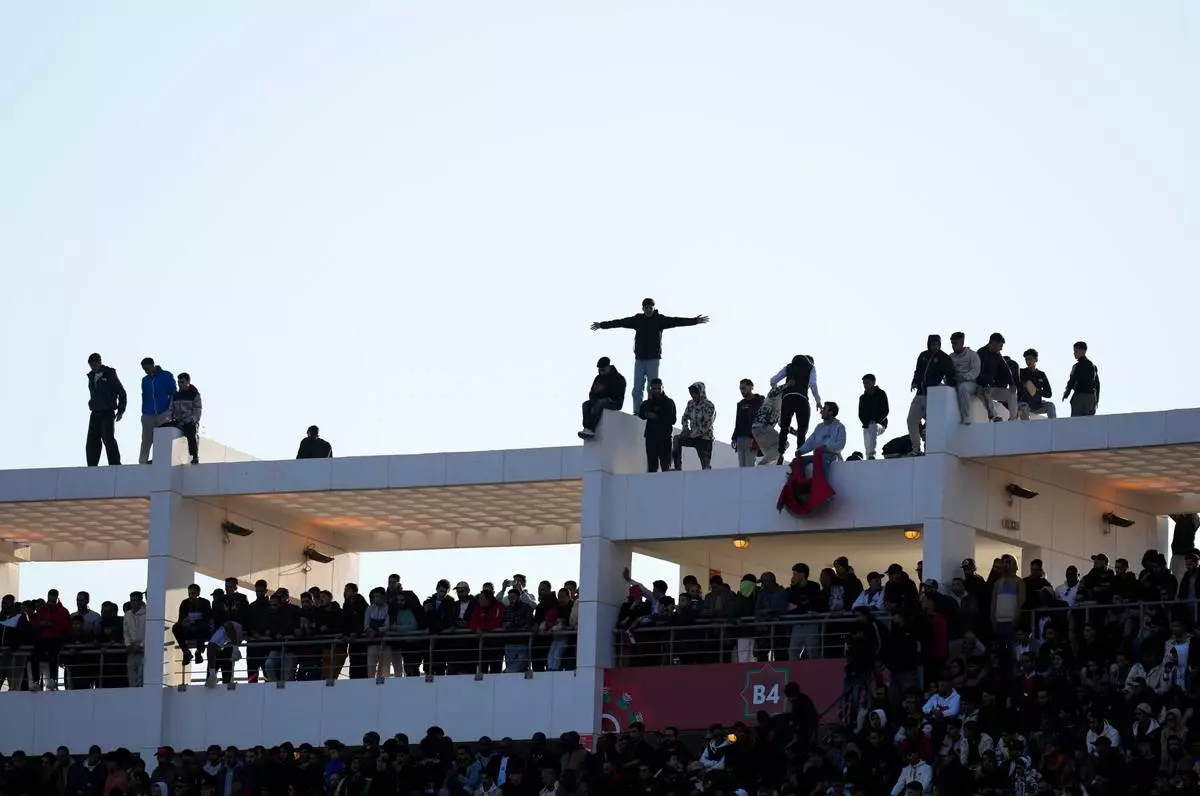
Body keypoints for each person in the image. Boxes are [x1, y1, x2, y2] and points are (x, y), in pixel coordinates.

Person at [589, 298, 709, 413]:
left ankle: (650, 409)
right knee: (637, 389)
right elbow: (621, 322)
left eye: (650, 307)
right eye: (646, 308)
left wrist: (694, 321)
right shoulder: (638, 319)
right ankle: (637, 411)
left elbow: (676, 321)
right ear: (643, 308)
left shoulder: (659, 320)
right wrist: (602, 325)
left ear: (653, 308)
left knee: (652, 388)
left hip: (653, 359)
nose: (648, 310)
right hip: (640, 359)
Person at [906, 335, 954, 455]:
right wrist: (914, 381)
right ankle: (916, 448)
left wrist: (948, 390)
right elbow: (917, 371)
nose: (935, 347)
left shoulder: (944, 358)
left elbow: (950, 374)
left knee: (930, 424)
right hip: (920, 394)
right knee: (911, 420)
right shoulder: (923, 355)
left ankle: (929, 450)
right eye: (932, 344)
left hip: (933, 395)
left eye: (937, 344)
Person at [772, 355, 819, 463]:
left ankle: (781, 453)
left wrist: (784, 387)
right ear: (810, 362)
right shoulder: (811, 368)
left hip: (787, 398)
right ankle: (799, 455)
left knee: (784, 427)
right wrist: (818, 400)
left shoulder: (789, 367)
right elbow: (813, 384)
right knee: (802, 429)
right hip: (802, 398)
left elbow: (773, 380)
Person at [85, 353, 127, 467]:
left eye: (94, 364)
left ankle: (115, 464)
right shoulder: (91, 376)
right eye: (91, 365)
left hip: (107, 411)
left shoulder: (109, 374)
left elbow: (122, 392)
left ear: (99, 362)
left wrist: (121, 410)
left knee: (107, 438)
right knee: (92, 440)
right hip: (95, 411)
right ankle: (92, 466)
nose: (93, 367)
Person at [138, 357, 177, 465]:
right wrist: (144, 411)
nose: (146, 371)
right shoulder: (145, 380)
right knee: (146, 439)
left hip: (164, 412)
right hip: (148, 414)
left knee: (161, 438)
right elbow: (144, 396)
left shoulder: (166, 375)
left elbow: (173, 393)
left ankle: (159, 460)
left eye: (147, 368)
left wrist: (171, 409)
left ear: (152, 365)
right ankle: (142, 461)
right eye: (144, 369)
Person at [579, 357, 626, 439]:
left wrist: (604, 389)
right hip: (599, 400)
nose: (601, 372)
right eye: (600, 370)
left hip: (614, 401)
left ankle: (591, 428)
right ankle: (586, 428)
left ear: (608, 367)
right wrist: (595, 394)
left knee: (601, 403)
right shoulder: (598, 378)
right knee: (586, 404)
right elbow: (591, 393)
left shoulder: (618, 378)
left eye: (603, 369)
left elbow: (619, 393)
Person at [672, 382, 715, 470]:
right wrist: (685, 429)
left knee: (706, 467)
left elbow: (707, 424)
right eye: (691, 393)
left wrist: (693, 434)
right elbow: (684, 417)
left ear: (701, 392)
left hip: (705, 439)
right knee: (677, 439)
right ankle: (677, 468)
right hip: (692, 436)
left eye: (695, 393)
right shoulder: (690, 404)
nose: (693, 395)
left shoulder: (709, 405)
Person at [975, 333, 1017, 421]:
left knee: (1012, 394)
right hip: (981, 387)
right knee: (986, 392)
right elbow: (978, 373)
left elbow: (1006, 369)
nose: (1001, 348)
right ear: (993, 343)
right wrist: (985, 384)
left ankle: (1012, 420)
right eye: (1000, 345)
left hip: (992, 388)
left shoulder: (997, 354)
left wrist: (1012, 383)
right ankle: (994, 417)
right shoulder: (981, 353)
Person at [794, 402, 847, 472]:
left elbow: (840, 445)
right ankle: (801, 482)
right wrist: (800, 451)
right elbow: (810, 442)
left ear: (831, 412)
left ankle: (820, 481)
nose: (821, 411)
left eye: (824, 409)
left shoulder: (839, 427)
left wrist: (826, 448)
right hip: (817, 457)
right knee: (797, 462)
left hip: (832, 457)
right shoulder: (819, 427)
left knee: (823, 459)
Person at [637, 378, 676, 473]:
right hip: (651, 437)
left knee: (665, 466)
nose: (657, 391)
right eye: (654, 389)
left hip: (664, 437)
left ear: (662, 388)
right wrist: (648, 414)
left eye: (659, 388)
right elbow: (641, 413)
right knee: (651, 466)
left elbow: (673, 420)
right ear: (651, 389)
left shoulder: (669, 402)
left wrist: (658, 416)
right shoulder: (648, 403)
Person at [169, 373, 203, 465]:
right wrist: (169, 419)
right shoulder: (175, 395)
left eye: (182, 382)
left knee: (190, 430)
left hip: (190, 422)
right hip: (178, 421)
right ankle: (158, 457)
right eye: (178, 382)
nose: (180, 384)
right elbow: (170, 409)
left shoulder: (194, 395)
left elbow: (197, 411)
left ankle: (194, 456)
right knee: (160, 428)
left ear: (188, 382)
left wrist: (188, 420)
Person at [948, 332, 981, 424]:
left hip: (970, 383)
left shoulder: (972, 355)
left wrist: (964, 377)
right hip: (954, 382)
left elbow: (975, 371)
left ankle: (966, 417)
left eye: (955, 343)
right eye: (952, 343)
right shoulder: (950, 357)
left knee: (963, 388)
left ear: (962, 342)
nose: (953, 346)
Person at [1062, 340, 1100, 417]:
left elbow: (1071, 382)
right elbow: (1097, 385)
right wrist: (1096, 400)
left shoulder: (1076, 366)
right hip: (1091, 398)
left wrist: (1066, 393)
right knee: (1088, 424)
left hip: (1079, 397)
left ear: (1083, 351)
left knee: (1076, 424)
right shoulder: (1093, 366)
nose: (1074, 353)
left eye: (1076, 351)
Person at [731, 379, 763, 467]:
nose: (742, 391)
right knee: (741, 467)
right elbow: (737, 421)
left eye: (744, 388)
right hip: (740, 438)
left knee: (749, 465)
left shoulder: (759, 400)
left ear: (751, 387)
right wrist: (734, 437)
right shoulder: (741, 404)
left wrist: (753, 437)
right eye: (740, 389)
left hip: (752, 438)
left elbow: (759, 419)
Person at [1017, 348, 1056, 420]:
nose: (1028, 362)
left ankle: (1054, 426)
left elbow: (1049, 394)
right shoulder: (1021, 372)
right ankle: (1026, 429)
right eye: (1026, 359)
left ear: (1036, 360)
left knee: (1050, 405)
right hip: (1023, 403)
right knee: (1024, 406)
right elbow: (1016, 385)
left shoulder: (1041, 374)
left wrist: (1036, 391)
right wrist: (1024, 385)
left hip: (1036, 405)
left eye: (1030, 359)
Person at [857, 374, 888, 460]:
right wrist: (866, 422)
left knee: (873, 427)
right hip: (866, 425)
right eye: (864, 383)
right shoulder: (862, 398)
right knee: (867, 446)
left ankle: (872, 454)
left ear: (873, 382)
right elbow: (861, 414)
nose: (865, 385)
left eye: (867, 383)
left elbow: (886, 410)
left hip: (880, 424)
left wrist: (876, 421)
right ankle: (870, 459)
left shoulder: (881, 394)